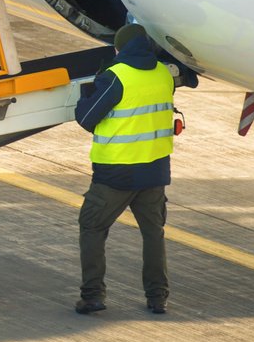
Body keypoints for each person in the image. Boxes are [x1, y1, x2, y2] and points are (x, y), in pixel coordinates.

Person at [72, 23, 192, 316]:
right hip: (154, 172)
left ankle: (93, 296)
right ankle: (157, 298)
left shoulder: (116, 78)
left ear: (119, 49)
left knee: (92, 228)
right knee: (153, 233)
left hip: (116, 174)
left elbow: (86, 117)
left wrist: (86, 94)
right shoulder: (163, 74)